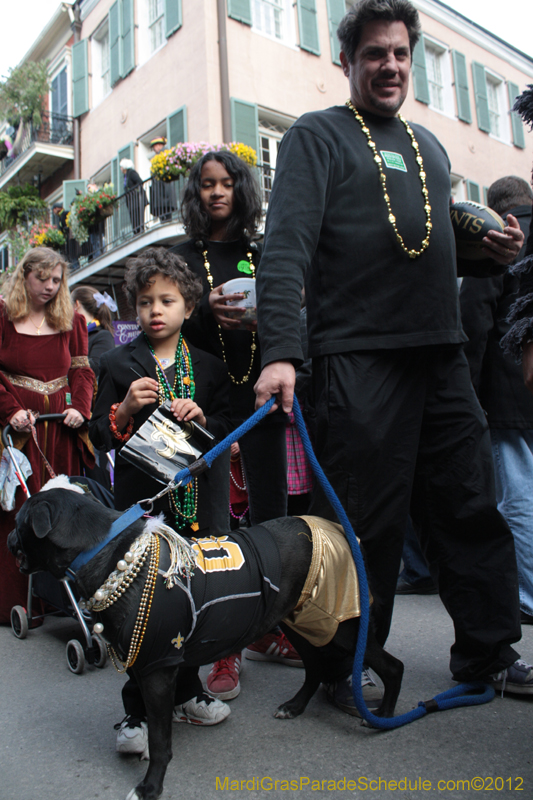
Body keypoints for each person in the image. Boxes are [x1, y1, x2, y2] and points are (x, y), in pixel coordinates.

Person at [253, 0, 530, 714]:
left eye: (401, 53)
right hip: (356, 358)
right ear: (346, 62)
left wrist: (488, 253)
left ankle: (489, 653)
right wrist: (281, 350)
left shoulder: (429, 146)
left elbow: (428, 244)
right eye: (375, 53)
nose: (390, 65)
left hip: (439, 355)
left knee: (469, 506)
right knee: (359, 528)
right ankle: (344, 666)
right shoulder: (316, 136)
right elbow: (283, 248)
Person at [89, 247, 232, 750]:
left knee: (194, 598)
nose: (155, 309)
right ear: (133, 308)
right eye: (145, 301)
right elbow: (97, 436)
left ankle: (189, 691)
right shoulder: (116, 362)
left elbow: (231, 430)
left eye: (166, 300)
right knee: (142, 607)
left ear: (188, 308)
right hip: (141, 509)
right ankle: (136, 714)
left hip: (198, 508)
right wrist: (123, 409)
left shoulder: (210, 369)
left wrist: (207, 421)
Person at [169, 150, 295, 702]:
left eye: (226, 184)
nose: (217, 193)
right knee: (213, 530)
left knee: (270, 520)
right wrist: (202, 314)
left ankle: (267, 627)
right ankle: (221, 647)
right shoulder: (178, 255)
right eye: (206, 185)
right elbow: (165, 324)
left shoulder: (263, 252)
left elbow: (292, 316)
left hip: (264, 399)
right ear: (195, 194)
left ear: (242, 190)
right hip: (207, 406)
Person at [0, 247, 95, 624]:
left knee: (61, 507)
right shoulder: (3, 315)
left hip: (59, 428)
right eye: (43, 279)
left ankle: (62, 595)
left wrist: (81, 409)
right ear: (25, 276)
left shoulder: (70, 318)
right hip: (18, 431)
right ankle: (18, 599)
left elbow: (82, 371)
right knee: (19, 512)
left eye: (57, 280)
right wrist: (11, 412)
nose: (51, 287)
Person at [460, 177, 533, 625]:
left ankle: (527, 597)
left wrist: (465, 393)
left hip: (509, 393)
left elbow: (474, 319)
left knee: (518, 495)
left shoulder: (497, 239)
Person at [71, 284, 117, 489]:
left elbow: (96, 365)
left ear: (76, 305)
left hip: (91, 412)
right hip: (70, 410)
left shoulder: (101, 335)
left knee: (96, 472)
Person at [149, 137, 177, 222]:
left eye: (154, 147)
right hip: (161, 193)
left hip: (163, 191)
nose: (153, 149)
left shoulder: (164, 155)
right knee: (164, 214)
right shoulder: (160, 155)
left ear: (158, 146)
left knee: (165, 215)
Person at [120, 158, 147, 235]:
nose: (121, 169)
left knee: (138, 217)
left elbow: (139, 182)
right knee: (133, 217)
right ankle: (136, 231)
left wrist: (132, 191)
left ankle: (139, 231)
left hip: (137, 200)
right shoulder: (125, 176)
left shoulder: (131, 173)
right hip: (132, 202)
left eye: (121, 167)